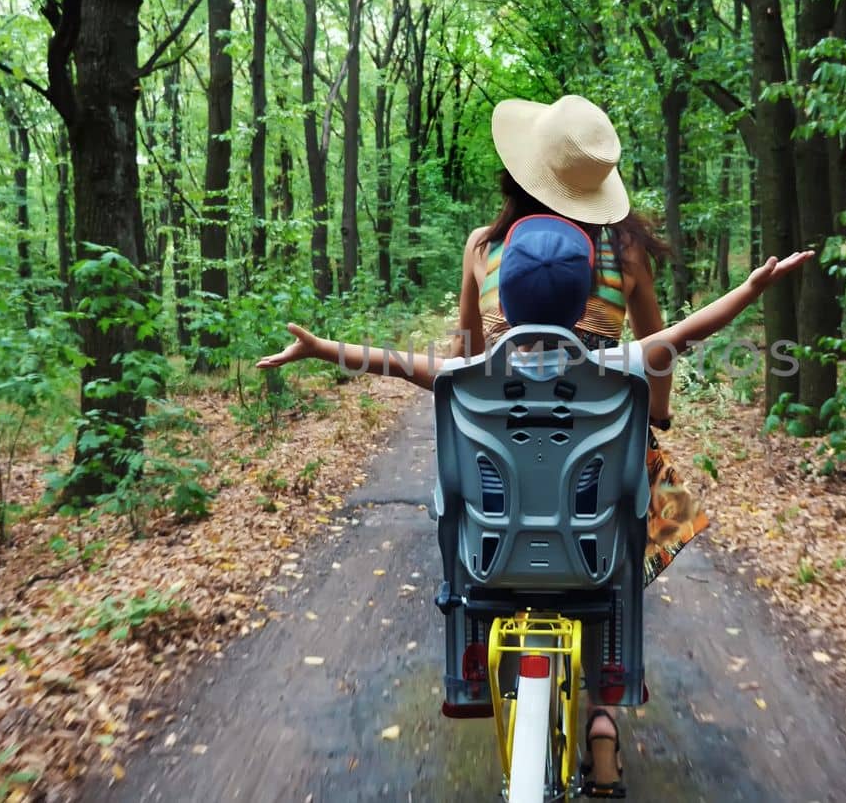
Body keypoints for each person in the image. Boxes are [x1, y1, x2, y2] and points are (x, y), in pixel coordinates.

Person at [257, 213, 810, 795]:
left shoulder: (464, 373)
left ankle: (483, 665)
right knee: (643, 504)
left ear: (503, 304)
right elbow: (687, 334)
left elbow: (390, 361)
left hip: (493, 554)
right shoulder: (615, 369)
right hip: (591, 555)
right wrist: (749, 290)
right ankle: (605, 710)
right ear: (582, 311)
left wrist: (321, 349)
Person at [458, 95, 703, 592]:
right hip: (595, 453)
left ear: (519, 173)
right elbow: (659, 350)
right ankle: (623, 604)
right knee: (663, 501)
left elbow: (463, 360)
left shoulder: (482, 247)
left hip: (498, 452)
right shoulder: (627, 254)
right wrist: (658, 414)